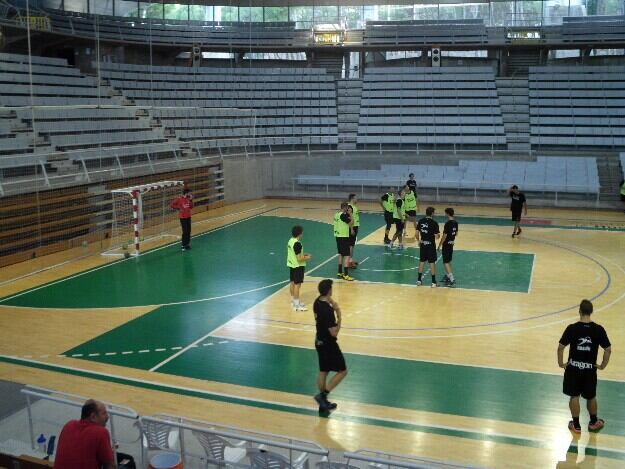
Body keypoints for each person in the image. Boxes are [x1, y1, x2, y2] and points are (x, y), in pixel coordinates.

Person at [558, 299, 611, 434]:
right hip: (589, 371)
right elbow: (608, 349)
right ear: (591, 311)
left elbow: (560, 347)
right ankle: (593, 422)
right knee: (591, 397)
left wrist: (561, 363)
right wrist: (602, 365)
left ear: (579, 311)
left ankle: (576, 426)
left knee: (574, 396)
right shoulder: (598, 329)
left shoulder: (572, 328)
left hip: (573, 369)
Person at [313, 279, 347, 412]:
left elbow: (329, 300)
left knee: (324, 371)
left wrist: (333, 303)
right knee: (343, 371)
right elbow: (334, 333)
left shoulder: (317, 302)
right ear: (329, 291)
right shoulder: (328, 311)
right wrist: (339, 317)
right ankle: (323, 396)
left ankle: (323, 403)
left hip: (319, 341)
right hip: (329, 344)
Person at [54, 399, 114, 469]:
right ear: (93, 417)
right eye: (104, 413)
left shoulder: (68, 425)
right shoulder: (101, 432)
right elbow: (109, 466)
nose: (107, 417)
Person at [287, 225, 311, 311]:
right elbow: (299, 259)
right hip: (298, 266)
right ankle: (297, 305)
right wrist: (307, 258)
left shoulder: (291, 241)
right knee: (297, 285)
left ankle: (293, 301)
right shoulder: (297, 244)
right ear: (300, 234)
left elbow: (294, 253)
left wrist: (303, 254)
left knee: (292, 283)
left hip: (292, 265)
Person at [416, 207, 440, 287]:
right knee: (431, 262)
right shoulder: (434, 223)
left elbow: (416, 233)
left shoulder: (420, 221)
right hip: (430, 245)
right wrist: (438, 235)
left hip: (423, 244)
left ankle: (419, 280)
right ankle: (433, 282)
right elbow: (437, 236)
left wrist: (419, 240)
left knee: (422, 261)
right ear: (432, 213)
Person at [438, 207, 458, 287]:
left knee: (445, 262)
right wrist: (452, 240)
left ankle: (452, 280)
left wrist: (439, 245)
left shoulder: (448, 224)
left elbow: (444, 236)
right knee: (448, 261)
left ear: (447, 214)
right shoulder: (455, 222)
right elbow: (456, 233)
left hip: (446, 245)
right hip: (451, 244)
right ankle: (447, 276)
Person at [334, 202, 354, 281]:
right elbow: (351, 222)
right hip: (343, 237)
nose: (348, 209)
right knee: (347, 255)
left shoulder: (336, 214)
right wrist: (351, 214)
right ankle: (346, 274)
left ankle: (339, 272)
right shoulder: (343, 215)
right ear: (345, 208)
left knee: (341, 254)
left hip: (338, 237)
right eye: (347, 208)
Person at [348, 193, 360, 268]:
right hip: (352, 228)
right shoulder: (350, 207)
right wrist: (352, 229)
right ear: (352, 199)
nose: (357, 199)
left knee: (352, 245)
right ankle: (349, 262)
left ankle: (350, 260)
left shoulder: (354, 207)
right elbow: (349, 219)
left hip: (355, 227)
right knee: (351, 245)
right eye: (356, 198)